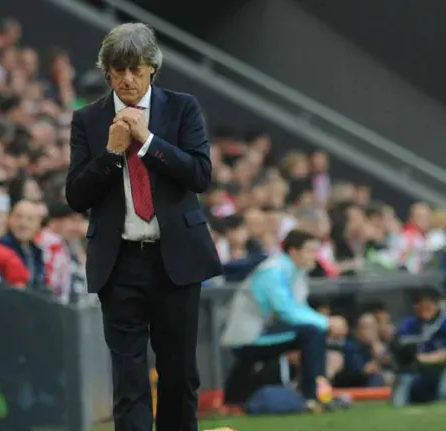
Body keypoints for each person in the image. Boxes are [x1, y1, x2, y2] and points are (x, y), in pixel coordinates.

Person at [64, 23, 221, 430]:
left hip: (176, 260)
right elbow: (76, 196)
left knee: (179, 373)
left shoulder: (182, 108)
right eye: (118, 70)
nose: (127, 79)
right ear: (107, 73)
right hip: (119, 262)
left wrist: (148, 141)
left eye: (135, 69)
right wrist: (111, 154)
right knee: (129, 377)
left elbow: (200, 175)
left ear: (153, 67)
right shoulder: (88, 120)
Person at [221, 230, 343, 412]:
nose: (315, 256)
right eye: (310, 251)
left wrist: (323, 322)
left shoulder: (294, 271)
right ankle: (314, 396)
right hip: (251, 335)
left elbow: (298, 309)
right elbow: (285, 310)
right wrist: (326, 322)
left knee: (313, 331)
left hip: (264, 330)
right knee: (313, 332)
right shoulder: (274, 270)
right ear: (293, 251)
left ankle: (314, 394)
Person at [391, 288, 446, 406]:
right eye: (420, 306)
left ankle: (443, 398)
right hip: (420, 371)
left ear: (436, 305)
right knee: (404, 371)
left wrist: (422, 359)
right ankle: (399, 403)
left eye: (428, 306)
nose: (423, 310)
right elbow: (395, 348)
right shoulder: (409, 324)